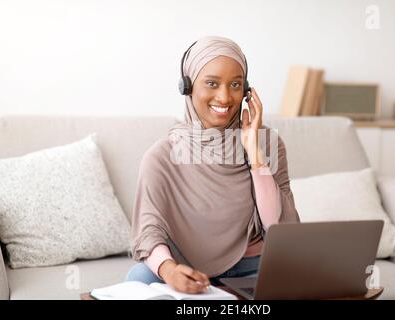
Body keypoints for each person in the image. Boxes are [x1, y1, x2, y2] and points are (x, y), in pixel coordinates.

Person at [126, 35, 299, 294]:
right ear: (188, 86)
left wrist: (253, 149)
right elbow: (148, 230)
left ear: (247, 91)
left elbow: (278, 227)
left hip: (255, 264)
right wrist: (169, 270)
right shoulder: (162, 156)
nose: (225, 97)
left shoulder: (268, 145)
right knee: (138, 278)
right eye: (212, 83)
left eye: (235, 85)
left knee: (304, 274)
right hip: (189, 268)